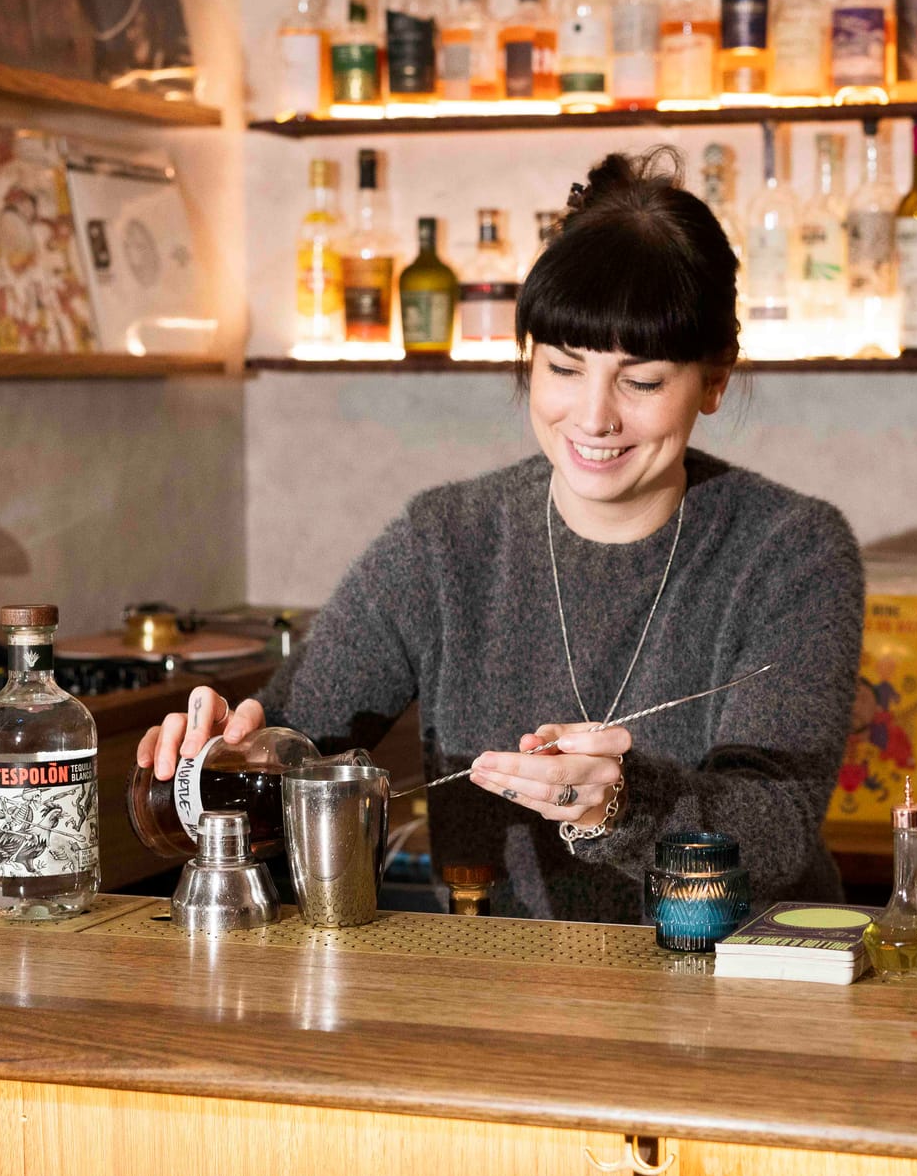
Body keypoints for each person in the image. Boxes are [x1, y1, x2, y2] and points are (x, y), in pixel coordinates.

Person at [138, 149, 865, 922]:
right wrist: (219, 757)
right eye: (562, 367)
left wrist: (624, 804)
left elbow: (778, 829)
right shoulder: (445, 542)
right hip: (508, 990)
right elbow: (299, 737)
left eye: (642, 381)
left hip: (744, 984)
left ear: (715, 378)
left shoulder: (791, 551)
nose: (593, 418)